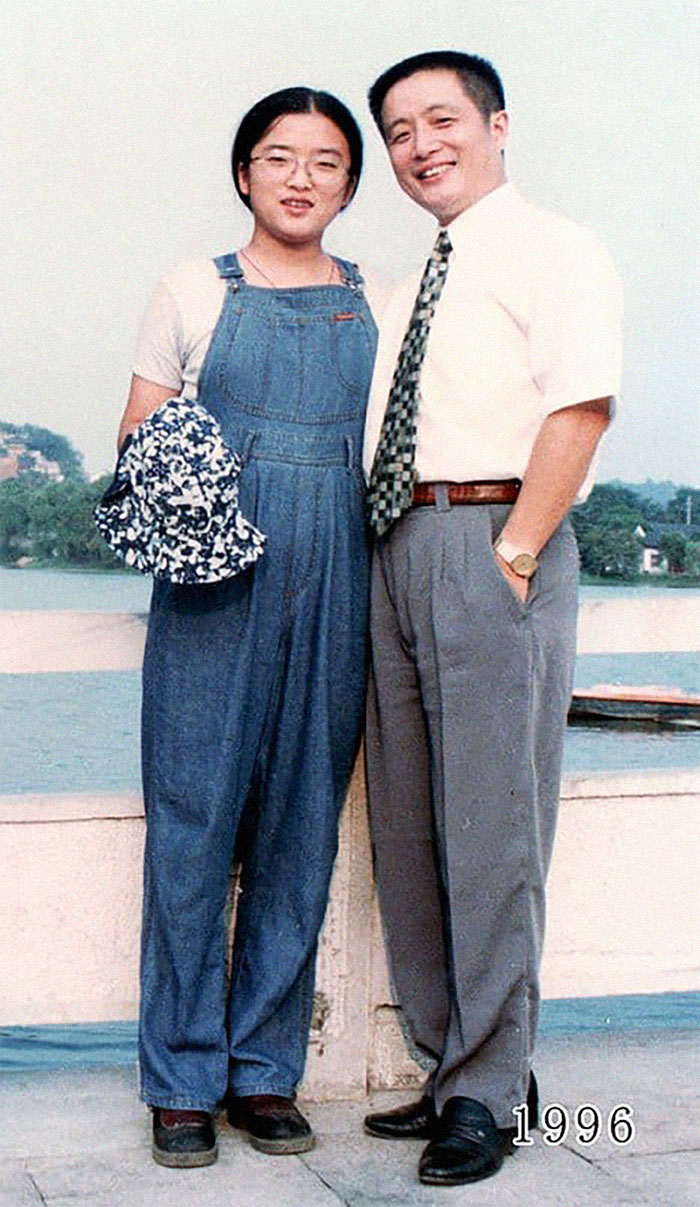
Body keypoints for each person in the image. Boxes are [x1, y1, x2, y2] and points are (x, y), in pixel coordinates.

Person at [361, 51, 622, 1186]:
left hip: (490, 538)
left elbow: (581, 405)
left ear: (496, 124)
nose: (421, 145)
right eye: (398, 132)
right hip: (396, 541)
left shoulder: (558, 246)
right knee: (408, 829)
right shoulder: (415, 270)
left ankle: (491, 1089)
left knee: (492, 829)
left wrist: (515, 549)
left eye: (440, 119)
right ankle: (446, 1062)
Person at [117, 86, 379, 1168]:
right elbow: (140, 435)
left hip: (340, 569)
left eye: (325, 161)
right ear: (244, 174)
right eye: (279, 157)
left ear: (350, 185)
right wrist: (216, 526)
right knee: (191, 821)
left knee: (299, 822)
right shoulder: (192, 287)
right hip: (213, 574)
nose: (301, 177)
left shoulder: (381, 299)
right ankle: (180, 1079)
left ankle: (265, 1074)